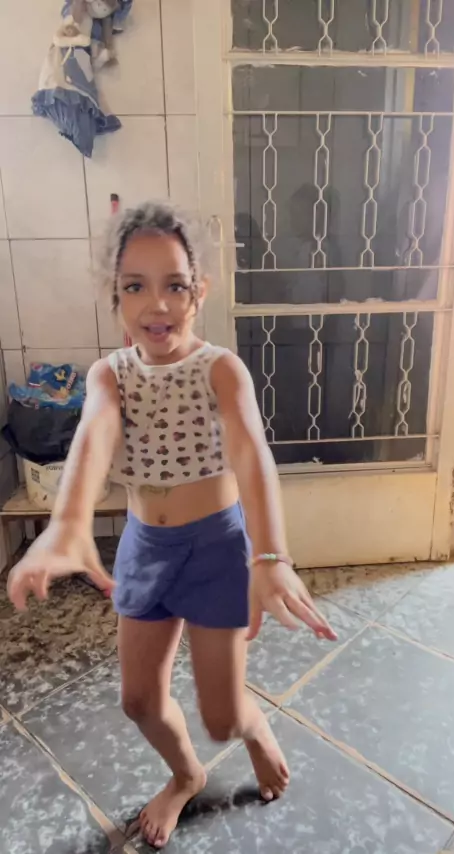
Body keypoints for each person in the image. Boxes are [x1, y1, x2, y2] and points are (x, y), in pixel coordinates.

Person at [8, 202, 337, 849]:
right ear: (116, 294)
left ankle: (253, 726)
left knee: (221, 715)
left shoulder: (220, 370)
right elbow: (94, 434)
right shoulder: (109, 375)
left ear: (199, 291)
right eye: (135, 286)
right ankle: (186, 776)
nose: (156, 304)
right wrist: (68, 524)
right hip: (146, 550)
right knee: (137, 700)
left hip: (217, 548)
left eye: (175, 285)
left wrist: (270, 555)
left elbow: (251, 455)